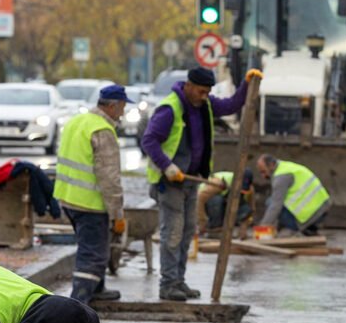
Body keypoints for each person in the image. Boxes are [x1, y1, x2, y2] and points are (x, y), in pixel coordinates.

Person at [141, 66, 262, 302]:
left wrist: (247, 85)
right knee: (173, 232)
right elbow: (149, 140)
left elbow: (231, 105)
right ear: (188, 86)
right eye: (201, 91)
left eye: (208, 92)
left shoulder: (204, 105)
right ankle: (168, 284)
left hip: (191, 179)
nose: (204, 96)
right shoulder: (170, 109)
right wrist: (167, 166)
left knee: (187, 232)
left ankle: (178, 281)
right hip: (170, 182)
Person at [53, 84, 129, 303]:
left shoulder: (77, 121)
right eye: (122, 107)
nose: (123, 112)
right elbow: (109, 178)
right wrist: (117, 214)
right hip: (90, 204)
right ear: (113, 106)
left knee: (92, 246)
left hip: (68, 199)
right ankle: (78, 302)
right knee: (93, 255)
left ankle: (98, 289)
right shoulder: (103, 130)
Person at [256, 154, 331, 235]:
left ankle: (298, 228)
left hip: (311, 216)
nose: (263, 176)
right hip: (323, 208)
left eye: (263, 172)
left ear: (271, 165)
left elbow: (275, 206)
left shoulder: (281, 178)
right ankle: (308, 229)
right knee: (278, 203)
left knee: (270, 202)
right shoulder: (285, 167)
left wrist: (262, 227)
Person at [197, 168, 255, 237]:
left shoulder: (250, 188)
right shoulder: (218, 183)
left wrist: (247, 223)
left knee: (245, 207)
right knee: (217, 200)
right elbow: (199, 198)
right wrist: (202, 221)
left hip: (225, 203)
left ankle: (232, 231)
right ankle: (215, 227)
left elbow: (251, 208)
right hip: (209, 204)